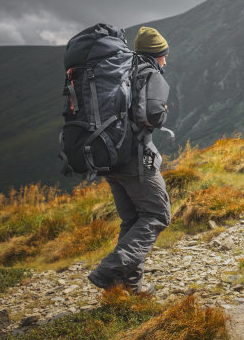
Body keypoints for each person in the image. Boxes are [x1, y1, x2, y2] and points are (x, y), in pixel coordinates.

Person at [87, 26, 171, 296]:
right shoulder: (149, 73)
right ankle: (110, 270)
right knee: (158, 214)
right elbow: (155, 115)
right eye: (163, 55)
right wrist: (163, 112)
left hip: (109, 159)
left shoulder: (120, 72)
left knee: (133, 220)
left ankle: (130, 288)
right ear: (155, 54)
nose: (165, 61)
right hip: (135, 160)